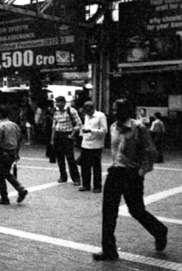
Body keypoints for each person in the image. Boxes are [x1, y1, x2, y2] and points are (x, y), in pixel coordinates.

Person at [93, 99, 168, 262]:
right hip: (114, 173)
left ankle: (159, 230)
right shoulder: (113, 127)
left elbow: (151, 152)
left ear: (127, 110)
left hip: (132, 174)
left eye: (117, 109)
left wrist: (141, 172)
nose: (113, 112)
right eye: (113, 108)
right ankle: (109, 250)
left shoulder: (139, 127)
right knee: (108, 212)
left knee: (136, 210)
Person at [0, 106, 28, 205]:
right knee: (6, 173)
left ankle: (5, 197)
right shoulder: (15, 125)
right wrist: (17, 154)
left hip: (4, 152)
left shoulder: (0, 126)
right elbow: (19, 140)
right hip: (12, 152)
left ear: (0, 114)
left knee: (0, 176)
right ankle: (20, 189)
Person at [77, 100, 108, 192]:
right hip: (85, 143)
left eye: (89, 111)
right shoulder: (86, 116)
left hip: (96, 145)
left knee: (96, 166)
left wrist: (91, 130)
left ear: (93, 109)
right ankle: (86, 184)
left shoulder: (100, 116)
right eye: (86, 112)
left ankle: (97, 186)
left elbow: (104, 130)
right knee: (84, 166)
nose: (88, 113)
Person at [50, 96, 80, 184]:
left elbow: (78, 124)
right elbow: (54, 126)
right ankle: (63, 176)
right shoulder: (55, 112)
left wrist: (72, 135)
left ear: (63, 102)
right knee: (60, 158)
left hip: (67, 135)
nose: (57, 104)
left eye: (59, 102)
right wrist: (52, 139)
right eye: (56, 102)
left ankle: (76, 178)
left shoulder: (71, 111)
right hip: (58, 135)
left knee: (70, 158)